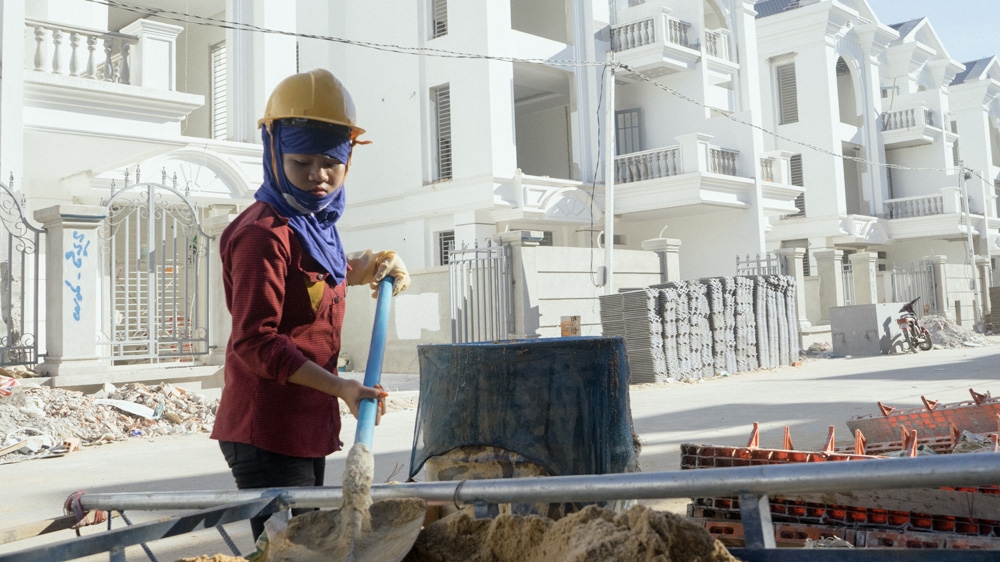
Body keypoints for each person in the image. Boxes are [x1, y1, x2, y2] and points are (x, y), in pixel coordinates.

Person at [210, 69, 410, 541]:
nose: (318, 177)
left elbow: (323, 277)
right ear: (275, 154)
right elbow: (255, 343)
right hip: (267, 429)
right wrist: (341, 387)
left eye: (331, 164)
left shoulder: (314, 224)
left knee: (304, 544)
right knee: (289, 549)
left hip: (305, 421)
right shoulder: (262, 234)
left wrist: (373, 263)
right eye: (301, 163)